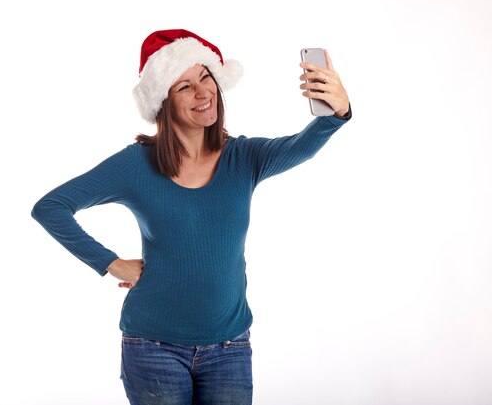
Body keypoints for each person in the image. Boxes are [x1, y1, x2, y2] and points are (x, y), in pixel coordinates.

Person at [31, 28, 351, 405]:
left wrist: (339, 112)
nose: (203, 93)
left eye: (205, 78)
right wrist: (112, 264)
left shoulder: (243, 158)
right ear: (162, 102)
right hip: (152, 347)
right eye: (184, 87)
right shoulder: (136, 165)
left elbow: (302, 146)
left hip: (229, 347)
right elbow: (51, 207)